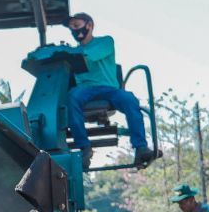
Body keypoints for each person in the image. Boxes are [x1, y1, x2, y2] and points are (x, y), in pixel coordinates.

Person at [63, 12, 158, 170]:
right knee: (72, 96)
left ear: (89, 25)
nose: (74, 30)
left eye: (77, 25)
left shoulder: (105, 42)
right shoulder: (73, 52)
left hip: (109, 90)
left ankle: (141, 147)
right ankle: (84, 148)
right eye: (71, 27)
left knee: (129, 99)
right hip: (85, 90)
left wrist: (67, 54)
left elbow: (89, 56)